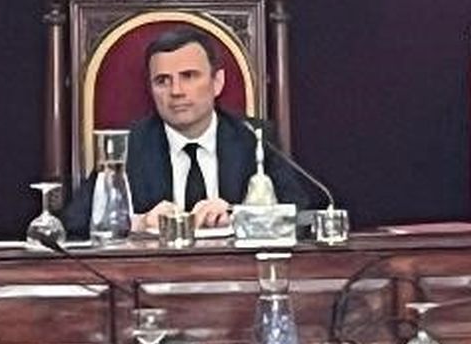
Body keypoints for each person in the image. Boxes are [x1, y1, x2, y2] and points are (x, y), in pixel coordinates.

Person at [63, 25, 321, 236]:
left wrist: (237, 215)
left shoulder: (251, 137)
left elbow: (300, 214)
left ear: (217, 82)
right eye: (162, 80)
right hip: (151, 281)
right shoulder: (131, 144)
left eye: (188, 76)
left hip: (239, 278)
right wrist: (137, 222)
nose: (176, 91)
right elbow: (74, 221)